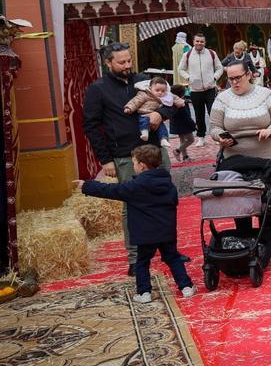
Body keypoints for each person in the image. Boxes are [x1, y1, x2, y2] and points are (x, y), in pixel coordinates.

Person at [84, 42, 176, 273]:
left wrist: (159, 113)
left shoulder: (144, 81)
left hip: (154, 150)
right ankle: (135, 259)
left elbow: (170, 102)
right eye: (121, 62)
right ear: (108, 63)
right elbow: (92, 126)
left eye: (129, 61)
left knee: (165, 199)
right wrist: (105, 159)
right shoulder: (98, 89)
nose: (127, 66)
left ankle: (170, 252)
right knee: (132, 206)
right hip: (125, 155)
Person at [75, 145, 194, 303]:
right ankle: (186, 287)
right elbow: (174, 202)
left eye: (134, 163)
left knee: (142, 262)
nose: (133, 166)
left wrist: (87, 185)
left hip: (145, 233)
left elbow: (111, 190)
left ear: (142, 165)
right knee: (172, 258)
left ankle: (144, 293)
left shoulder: (135, 186)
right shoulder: (167, 183)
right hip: (166, 231)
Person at [209, 59, 271, 161]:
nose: (234, 82)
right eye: (230, 79)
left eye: (238, 78)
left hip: (267, 157)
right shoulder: (221, 98)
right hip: (233, 158)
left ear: (248, 75)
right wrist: (220, 137)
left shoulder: (266, 94)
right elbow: (214, 127)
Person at [177, 33, 222, 147]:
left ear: (205, 42)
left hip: (210, 88)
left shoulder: (211, 53)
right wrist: (188, 78)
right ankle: (201, 137)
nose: (199, 43)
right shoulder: (187, 54)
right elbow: (181, 69)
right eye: (197, 41)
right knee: (199, 114)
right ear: (193, 42)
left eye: (201, 41)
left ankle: (216, 136)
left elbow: (219, 68)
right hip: (195, 90)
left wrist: (214, 78)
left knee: (213, 113)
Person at [123, 76, 181, 149]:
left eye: (163, 91)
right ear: (150, 88)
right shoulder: (144, 94)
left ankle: (163, 139)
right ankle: (144, 133)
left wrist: (180, 102)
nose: (160, 92)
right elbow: (136, 101)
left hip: (156, 116)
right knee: (144, 121)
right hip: (144, 113)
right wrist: (129, 108)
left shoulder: (165, 96)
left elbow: (174, 98)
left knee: (162, 127)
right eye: (157, 90)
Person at [169, 84, 196, 162]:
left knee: (182, 140)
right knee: (191, 140)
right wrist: (193, 125)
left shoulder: (173, 101)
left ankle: (185, 157)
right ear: (182, 94)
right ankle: (177, 151)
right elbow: (186, 117)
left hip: (176, 124)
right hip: (184, 125)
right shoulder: (181, 104)